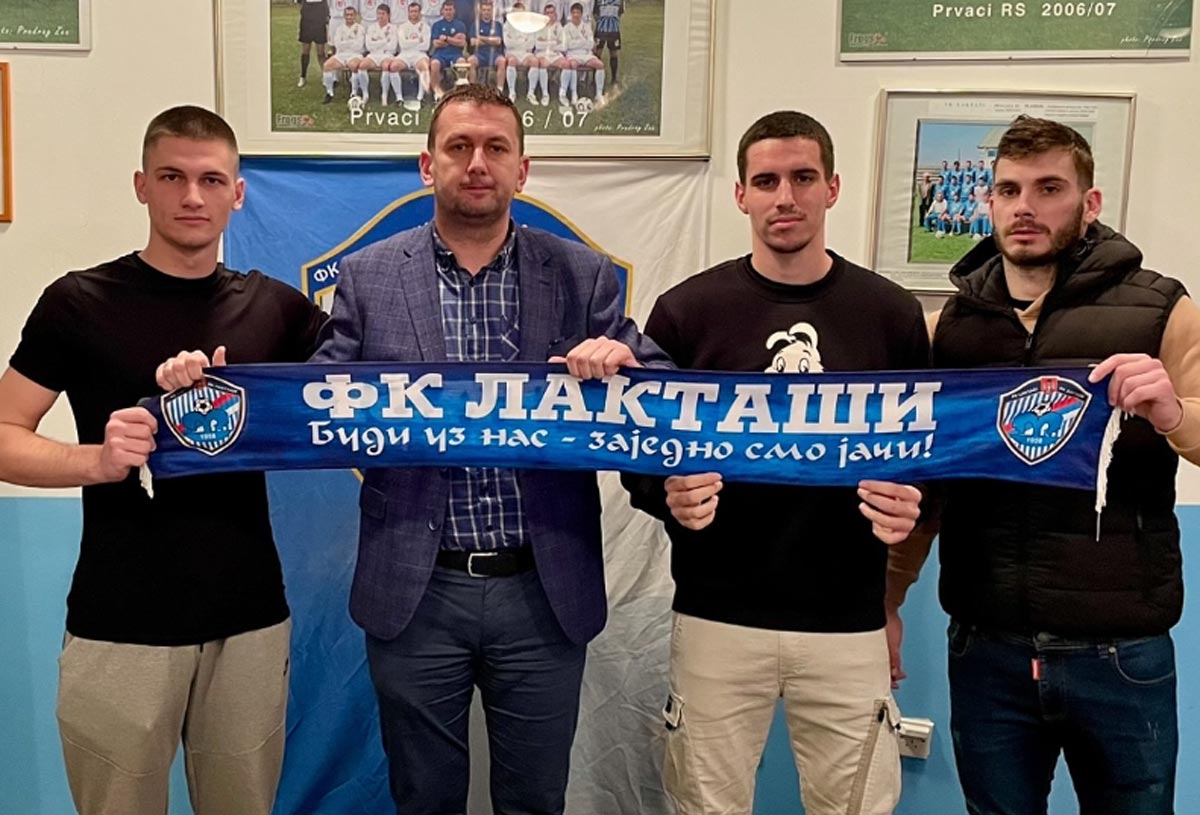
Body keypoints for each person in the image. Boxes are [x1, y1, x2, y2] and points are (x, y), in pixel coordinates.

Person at [310, 84, 670, 814]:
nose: (477, 163)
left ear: (521, 170)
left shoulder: (581, 274)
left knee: (535, 799)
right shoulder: (368, 276)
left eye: (496, 148)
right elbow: (316, 401)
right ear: (428, 165)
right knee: (424, 799)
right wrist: (222, 392)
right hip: (416, 587)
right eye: (459, 146)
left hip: (543, 587)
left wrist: (624, 363)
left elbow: (662, 387)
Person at [0, 106, 328, 815]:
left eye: (211, 180)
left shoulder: (276, 309)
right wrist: (97, 459)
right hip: (119, 620)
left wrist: (546, 376)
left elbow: (383, 386)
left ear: (238, 193)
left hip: (248, 620)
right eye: (173, 177)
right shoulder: (78, 302)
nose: (192, 197)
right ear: (141, 185)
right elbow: (4, 433)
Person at [889, 115, 1200, 814]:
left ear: (1090, 203)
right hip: (987, 647)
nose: (1025, 206)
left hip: (1121, 650)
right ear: (988, 201)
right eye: (1009, 190)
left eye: (1049, 188)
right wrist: (889, 597)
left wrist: (1172, 412)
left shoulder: (1163, 309)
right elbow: (927, 483)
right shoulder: (949, 328)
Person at [622, 110, 927, 815]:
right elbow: (639, 451)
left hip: (848, 620)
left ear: (832, 188)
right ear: (741, 195)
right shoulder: (687, 312)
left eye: (802, 178)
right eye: (766, 181)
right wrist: (666, 492)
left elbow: (925, 451)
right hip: (717, 617)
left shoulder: (889, 313)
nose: (784, 197)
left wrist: (912, 506)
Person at [560, 2, 606, 106]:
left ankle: (599, 94)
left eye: (578, 12)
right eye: (574, 12)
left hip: (586, 54)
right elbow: (566, 46)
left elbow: (591, 44)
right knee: (572, 65)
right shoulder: (566, 28)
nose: (576, 15)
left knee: (600, 65)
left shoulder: (586, 27)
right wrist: (582, 42)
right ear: (571, 14)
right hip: (572, 55)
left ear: (581, 14)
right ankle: (574, 93)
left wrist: (576, 42)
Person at [389, 1, 432, 107]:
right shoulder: (402, 27)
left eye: (416, 11)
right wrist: (418, 40)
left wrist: (410, 42)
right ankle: (399, 98)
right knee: (393, 66)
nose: (413, 14)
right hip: (405, 54)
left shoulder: (425, 27)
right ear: (408, 13)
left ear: (420, 12)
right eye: (411, 11)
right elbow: (403, 45)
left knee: (424, 66)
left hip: (420, 54)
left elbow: (425, 46)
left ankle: (420, 98)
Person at [322, 5, 366, 104]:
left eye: (351, 15)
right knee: (327, 66)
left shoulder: (360, 28)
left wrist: (344, 43)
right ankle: (329, 93)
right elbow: (337, 44)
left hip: (355, 54)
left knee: (354, 66)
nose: (349, 17)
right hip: (341, 55)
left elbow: (359, 46)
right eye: (347, 15)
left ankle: (354, 92)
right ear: (344, 16)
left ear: (355, 16)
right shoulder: (339, 28)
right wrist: (351, 42)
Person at [359, 3, 398, 105]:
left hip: (387, 55)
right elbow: (369, 46)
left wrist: (376, 43)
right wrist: (384, 41)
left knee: (386, 66)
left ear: (388, 15)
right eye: (379, 13)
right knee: (362, 65)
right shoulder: (371, 27)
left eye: (383, 14)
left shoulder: (393, 28)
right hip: (373, 55)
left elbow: (392, 47)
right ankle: (365, 94)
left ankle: (384, 95)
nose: (380, 16)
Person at [428, 0, 467, 102]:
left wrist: (446, 38)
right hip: (440, 54)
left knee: (462, 63)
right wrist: (454, 40)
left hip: (455, 54)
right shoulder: (437, 25)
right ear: (442, 11)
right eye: (446, 10)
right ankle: (436, 93)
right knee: (434, 64)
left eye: (450, 10)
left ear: (454, 11)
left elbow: (462, 43)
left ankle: (460, 92)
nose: (448, 12)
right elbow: (435, 43)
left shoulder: (460, 24)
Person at [531, 2, 566, 106]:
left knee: (566, 64)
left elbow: (563, 46)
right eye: (547, 13)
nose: (550, 15)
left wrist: (546, 42)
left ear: (555, 14)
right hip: (542, 54)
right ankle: (545, 94)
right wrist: (555, 42)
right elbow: (537, 45)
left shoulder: (559, 27)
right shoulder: (539, 27)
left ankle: (563, 94)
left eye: (552, 12)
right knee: (543, 64)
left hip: (555, 54)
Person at [468, 0, 506, 91]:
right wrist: (490, 40)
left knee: (502, 61)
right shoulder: (475, 24)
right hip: (480, 54)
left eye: (488, 10)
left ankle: (499, 90)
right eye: (484, 10)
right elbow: (473, 42)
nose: (486, 12)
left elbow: (498, 41)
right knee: (470, 60)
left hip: (494, 54)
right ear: (481, 11)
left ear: (492, 11)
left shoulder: (497, 25)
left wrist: (481, 38)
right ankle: (472, 89)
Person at [297, 0, 330, 88]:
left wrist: (326, 17)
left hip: (319, 22)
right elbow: (299, 3)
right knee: (305, 50)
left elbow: (326, 5)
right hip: (306, 22)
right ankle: (303, 76)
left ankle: (325, 76)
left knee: (321, 52)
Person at [591, 0, 623, 87]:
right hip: (601, 29)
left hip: (614, 30)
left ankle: (614, 78)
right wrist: (601, 22)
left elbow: (620, 12)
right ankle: (594, 78)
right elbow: (595, 13)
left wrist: (613, 22)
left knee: (613, 53)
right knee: (597, 52)